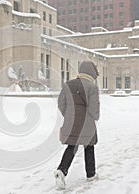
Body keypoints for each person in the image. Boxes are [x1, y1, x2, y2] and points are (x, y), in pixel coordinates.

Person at [54, 61, 100, 190]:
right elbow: (94, 111)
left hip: (71, 123)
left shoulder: (68, 85)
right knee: (89, 147)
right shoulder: (92, 87)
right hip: (87, 124)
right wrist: (94, 117)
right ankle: (91, 174)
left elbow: (61, 104)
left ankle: (61, 171)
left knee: (72, 147)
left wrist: (69, 116)